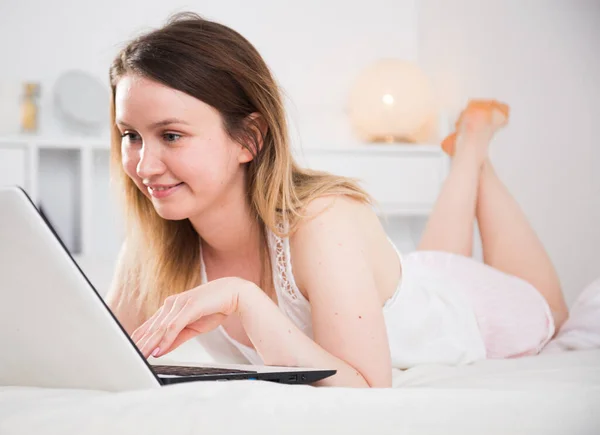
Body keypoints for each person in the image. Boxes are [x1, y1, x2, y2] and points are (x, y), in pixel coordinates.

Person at [106, 12, 569, 388]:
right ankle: (467, 154)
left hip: (471, 312)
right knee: (433, 264)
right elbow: (98, 354)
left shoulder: (324, 219)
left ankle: (473, 147)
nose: (143, 166)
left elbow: (367, 390)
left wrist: (244, 299)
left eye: (171, 135)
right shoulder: (152, 244)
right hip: (415, 282)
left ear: (248, 138)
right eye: (130, 136)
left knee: (551, 312)